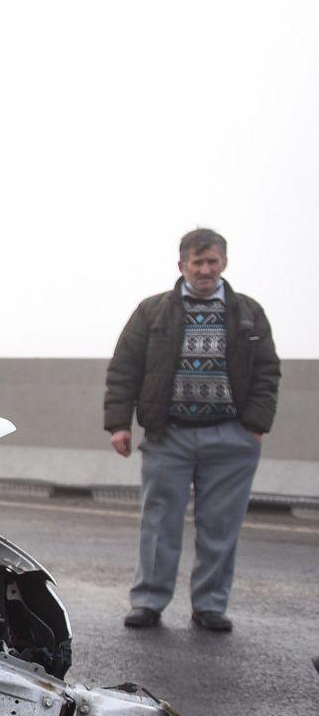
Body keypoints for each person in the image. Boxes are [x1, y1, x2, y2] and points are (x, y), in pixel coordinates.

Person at [104, 228, 279, 633]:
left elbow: (268, 371)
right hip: (169, 436)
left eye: (212, 262)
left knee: (220, 527)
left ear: (224, 264)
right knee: (159, 523)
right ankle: (148, 602)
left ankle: (210, 606)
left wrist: (254, 425)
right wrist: (118, 423)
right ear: (181, 265)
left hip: (230, 437)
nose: (204, 269)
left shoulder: (248, 313)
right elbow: (125, 367)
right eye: (197, 262)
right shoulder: (152, 311)